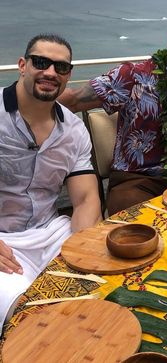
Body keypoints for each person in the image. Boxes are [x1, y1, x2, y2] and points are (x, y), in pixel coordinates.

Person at [58, 16, 167, 216]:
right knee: (141, 230)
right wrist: (25, 101)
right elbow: (74, 100)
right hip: (134, 182)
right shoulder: (134, 77)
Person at [0, 33, 102, 335]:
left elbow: (85, 200)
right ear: (22, 65)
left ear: (68, 75)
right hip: (4, 239)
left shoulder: (73, 131)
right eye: (41, 62)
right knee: (30, 316)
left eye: (61, 67)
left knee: (98, 290)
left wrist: (82, 250)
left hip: (52, 230)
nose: (50, 73)